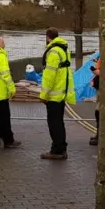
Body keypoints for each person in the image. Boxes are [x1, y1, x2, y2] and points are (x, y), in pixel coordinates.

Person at [39, 28, 76, 160]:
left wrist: (43, 95)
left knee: (54, 123)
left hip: (54, 95)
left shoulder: (53, 51)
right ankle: (61, 148)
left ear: (48, 37)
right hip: (62, 93)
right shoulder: (63, 49)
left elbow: (49, 75)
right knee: (59, 122)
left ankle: (57, 151)